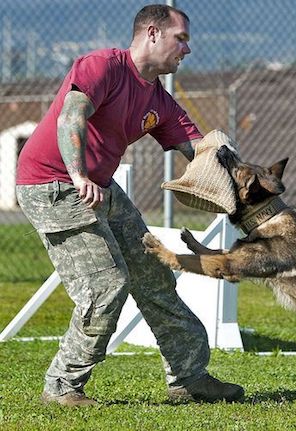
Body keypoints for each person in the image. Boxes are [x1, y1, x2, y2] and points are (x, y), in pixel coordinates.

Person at [16, 4, 244, 407]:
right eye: (182, 39)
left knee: (155, 273)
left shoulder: (158, 99)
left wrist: (232, 163)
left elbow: (199, 150)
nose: (187, 50)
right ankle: (62, 386)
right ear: (153, 33)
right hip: (52, 182)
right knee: (106, 285)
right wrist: (79, 175)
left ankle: (189, 378)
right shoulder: (102, 66)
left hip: (98, 184)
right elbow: (71, 117)